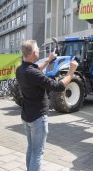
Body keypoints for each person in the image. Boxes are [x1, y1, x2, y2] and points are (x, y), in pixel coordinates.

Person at [16, 40, 78, 171]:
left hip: (27, 115)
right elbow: (58, 86)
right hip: (38, 117)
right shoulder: (33, 73)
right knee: (37, 152)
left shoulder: (21, 69)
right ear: (34, 53)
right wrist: (71, 72)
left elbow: (36, 70)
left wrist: (49, 59)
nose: (39, 50)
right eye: (38, 49)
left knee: (31, 149)